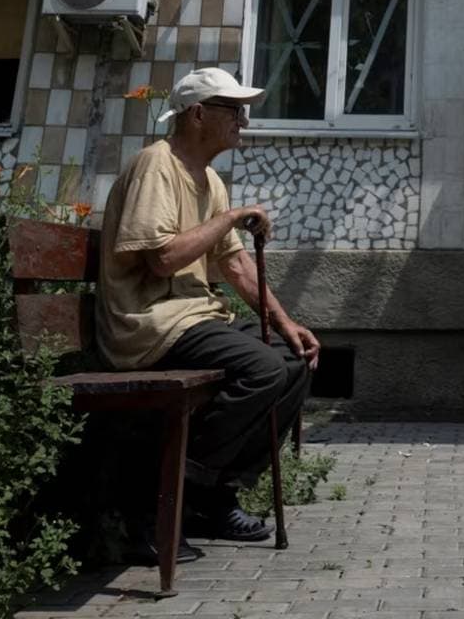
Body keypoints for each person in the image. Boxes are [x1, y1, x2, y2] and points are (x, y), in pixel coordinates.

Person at [96, 66, 320, 561]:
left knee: (294, 361)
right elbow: (161, 259)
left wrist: (287, 324)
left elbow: (236, 264)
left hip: (194, 317)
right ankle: (161, 500)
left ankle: (213, 496)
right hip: (150, 322)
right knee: (261, 368)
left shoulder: (210, 180)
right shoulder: (157, 165)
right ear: (198, 114)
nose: (243, 120)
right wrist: (231, 217)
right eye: (234, 110)